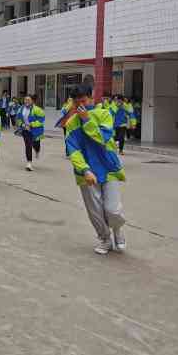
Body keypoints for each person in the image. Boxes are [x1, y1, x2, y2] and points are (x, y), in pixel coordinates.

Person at [64, 84, 126, 255]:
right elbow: (73, 150)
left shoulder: (104, 114)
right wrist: (84, 170)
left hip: (109, 168)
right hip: (87, 172)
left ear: (91, 98)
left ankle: (117, 229)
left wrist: (86, 120)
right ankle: (105, 239)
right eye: (76, 102)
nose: (80, 105)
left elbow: (103, 138)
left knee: (113, 209)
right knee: (95, 211)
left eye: (83, 101)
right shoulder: (70, 123)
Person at [16, 95, 45, 171]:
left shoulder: (37, 109)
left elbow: (41, 120)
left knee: (36, 144)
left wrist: (31, 125)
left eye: (28, 100)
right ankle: (29, 163)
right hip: (25, 130)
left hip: (35, 131)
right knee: (28, 145)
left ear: (32, 101)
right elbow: (18, 119)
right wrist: (22, 125)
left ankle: (37, 151)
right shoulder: (21, 109)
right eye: (25, 99)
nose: (26, 101)